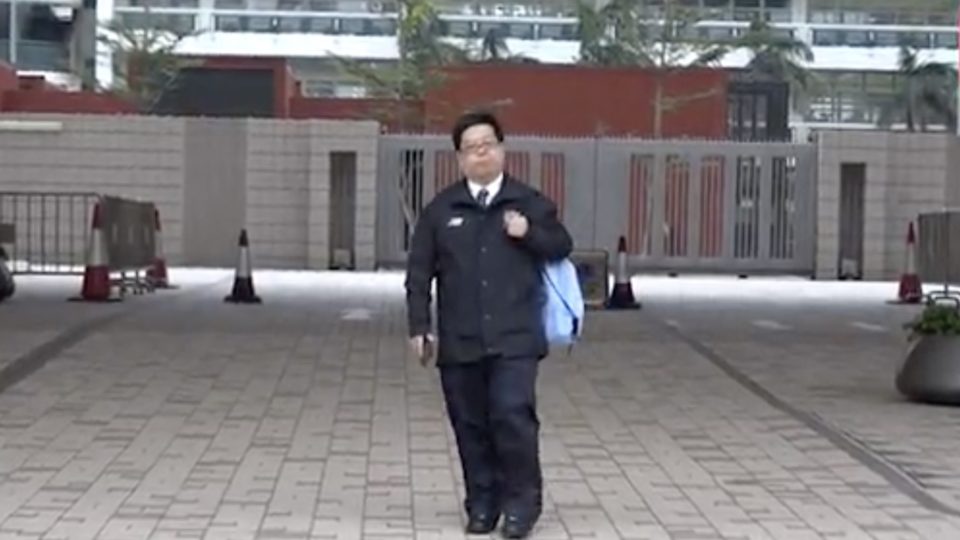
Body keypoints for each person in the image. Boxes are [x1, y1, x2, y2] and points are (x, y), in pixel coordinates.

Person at [404, 110, 573, 539]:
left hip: (515, 338)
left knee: (512, 415)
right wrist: (419, 326)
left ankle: (522, 504)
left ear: (502, 149)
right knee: (470, 424)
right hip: (460, 340)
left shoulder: (528, 202)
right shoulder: (442, 210)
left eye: (488, 144)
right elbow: (419, 273)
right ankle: (482, 502)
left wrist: (529, 232)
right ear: (460, 158)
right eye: (471, 148)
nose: (481, 153)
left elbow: (561, 244)